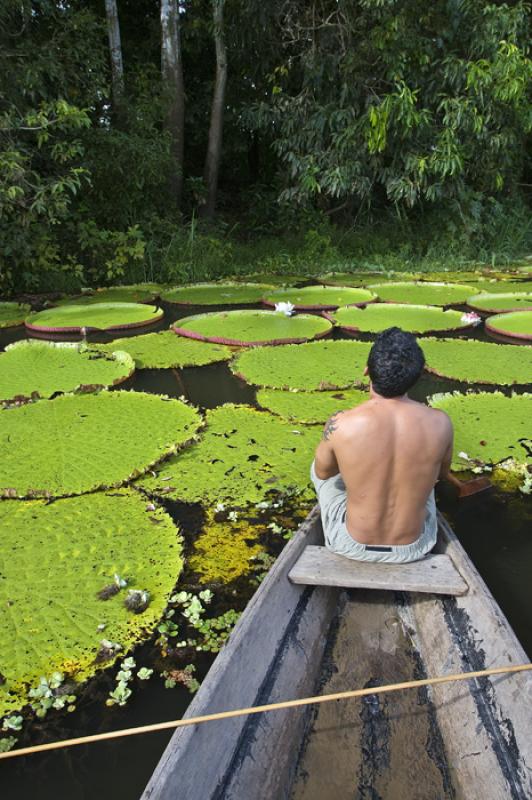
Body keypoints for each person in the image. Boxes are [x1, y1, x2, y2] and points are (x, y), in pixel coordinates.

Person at [311, 326, 487, 564]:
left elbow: (323, 473)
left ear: (366, 371)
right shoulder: (440, 422)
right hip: (414, 548)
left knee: (320, 470)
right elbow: (442, 474)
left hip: (350, 544)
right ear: (417, 376)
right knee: (426, 481)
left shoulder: (341, 423)